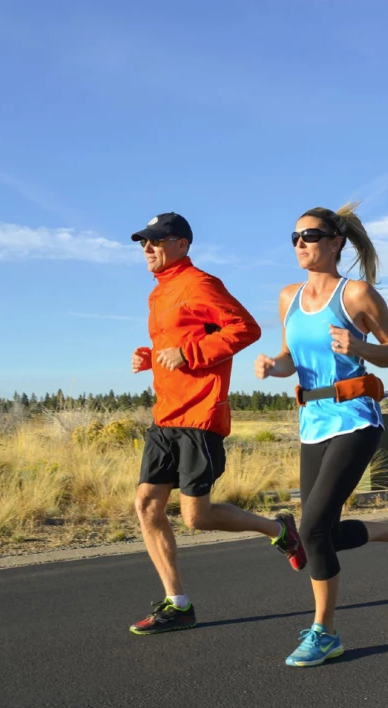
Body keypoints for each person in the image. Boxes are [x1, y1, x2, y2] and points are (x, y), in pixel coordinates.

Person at [254, 202, 388, 667]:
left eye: (309, 236)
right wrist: (274, 366)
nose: (300, 244)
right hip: (313, 422)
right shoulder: (288, 297)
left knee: (310, 530)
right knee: (316, 534)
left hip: (356, 419)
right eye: (294, 238)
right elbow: (291, 357)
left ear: (335, 242)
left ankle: (325, 632)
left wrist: (359, 344)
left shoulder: (357, 296)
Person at [128, 212, 307, 636]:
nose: (148, 249)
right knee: (147, 506)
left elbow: (245, 328)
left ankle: (277, 528)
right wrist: (148, 355)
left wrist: (190, 354)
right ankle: (178, 604)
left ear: (183, 245)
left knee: (197, 517)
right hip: (165, 416)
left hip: (199, 417)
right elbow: (172, 344)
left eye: (157, 241)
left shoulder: (199, 283)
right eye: (143, 243)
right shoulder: (159, 294)